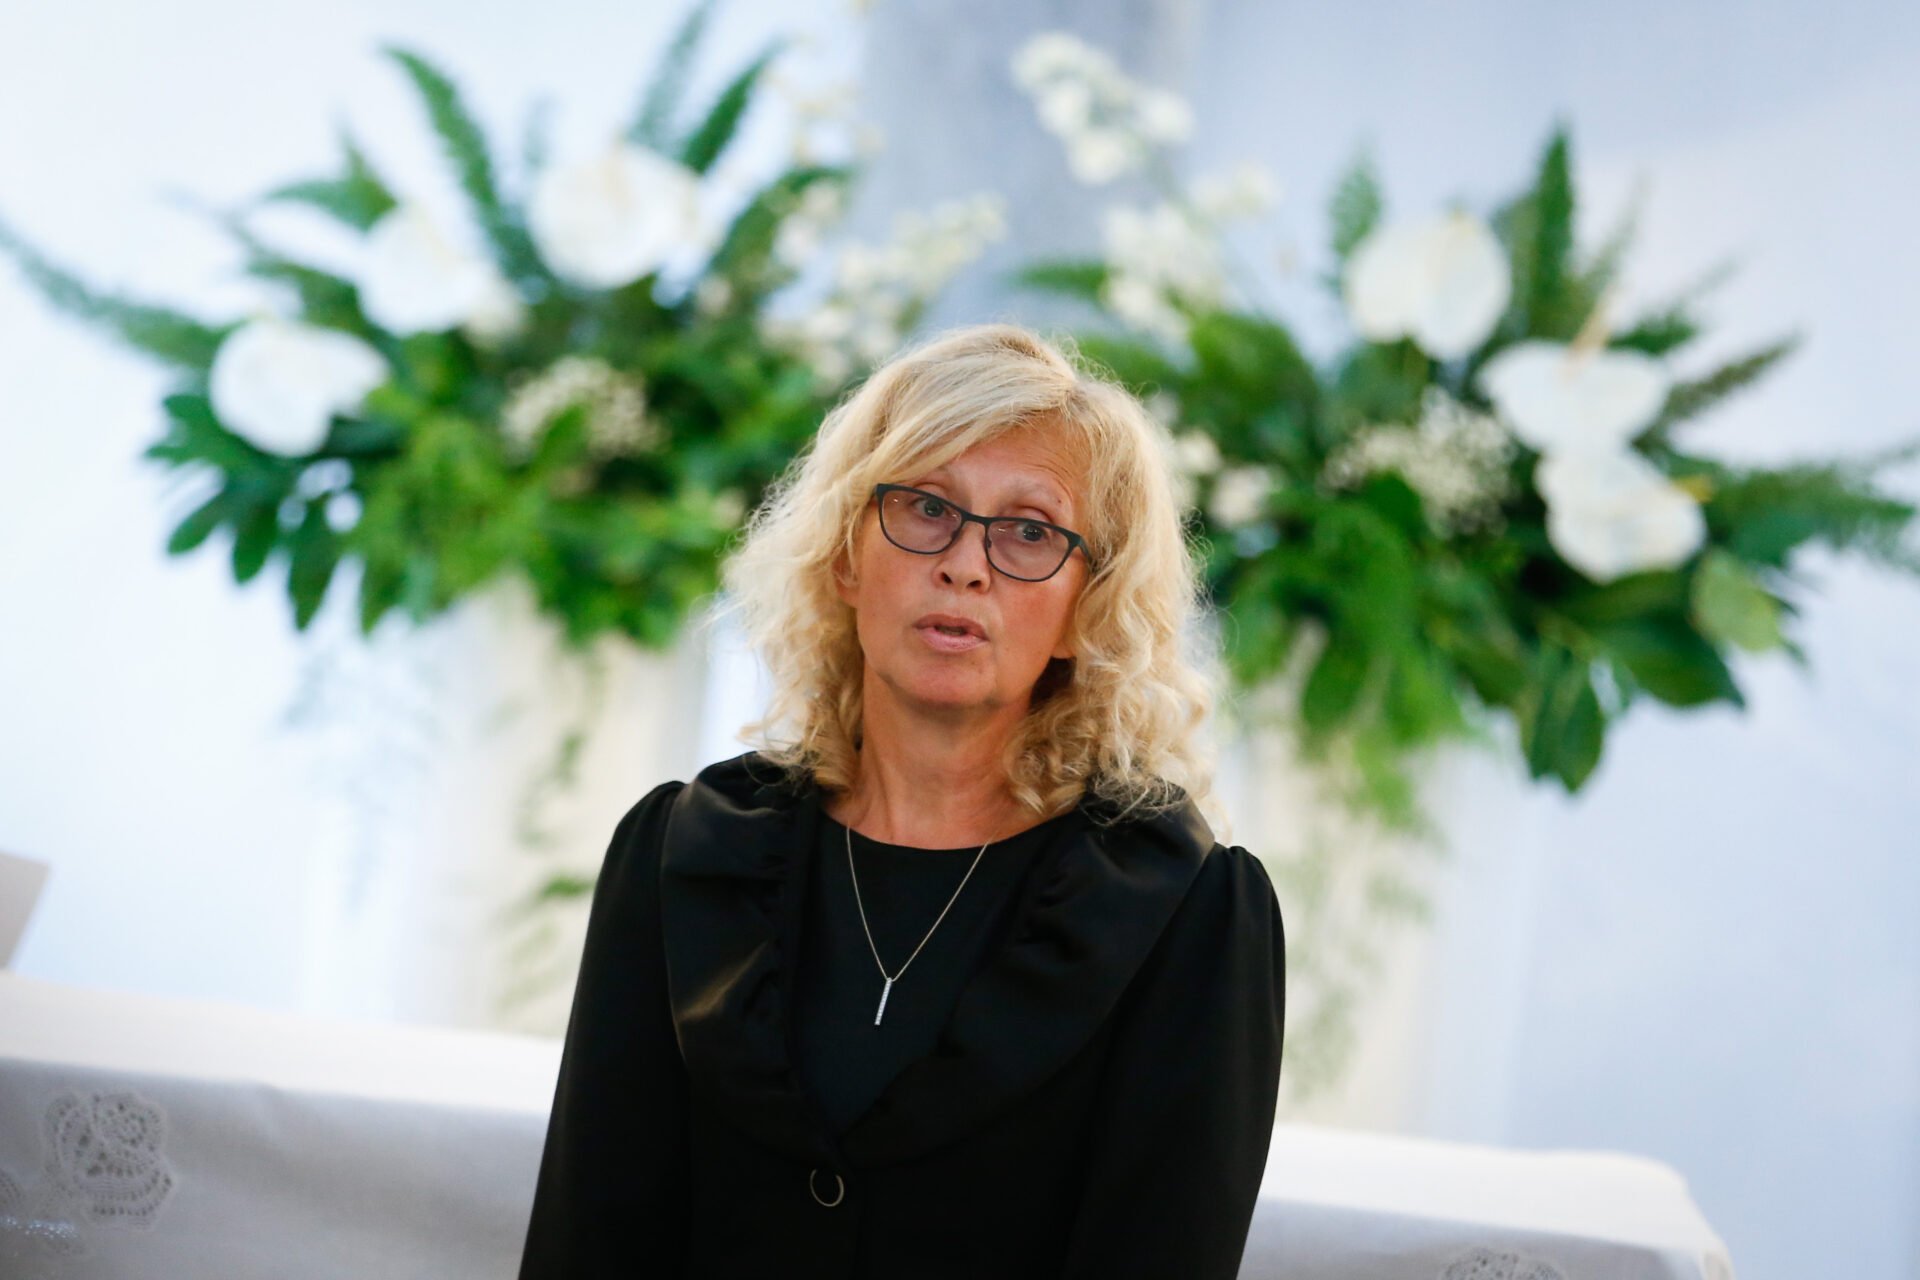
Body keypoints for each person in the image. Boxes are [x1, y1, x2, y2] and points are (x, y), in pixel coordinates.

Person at [516, 323, 1285, 1279]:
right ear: (846, 557)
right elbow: (590, 1242)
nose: (965, 564)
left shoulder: (1182, 912)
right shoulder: (681, 855)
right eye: (925, 507)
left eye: (1031, 531)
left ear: (1085, 610)